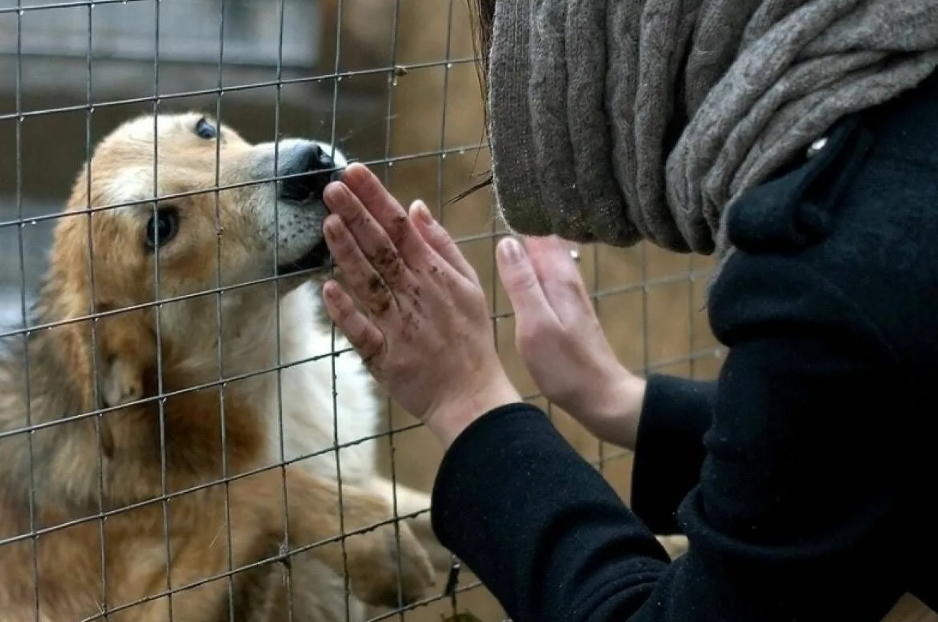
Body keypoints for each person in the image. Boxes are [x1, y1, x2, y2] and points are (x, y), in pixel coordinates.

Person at [318, 2, 938, 621]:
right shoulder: (897, 152)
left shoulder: (833, 264)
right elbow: (852, 446)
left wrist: (468, 402)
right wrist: (618, 400)